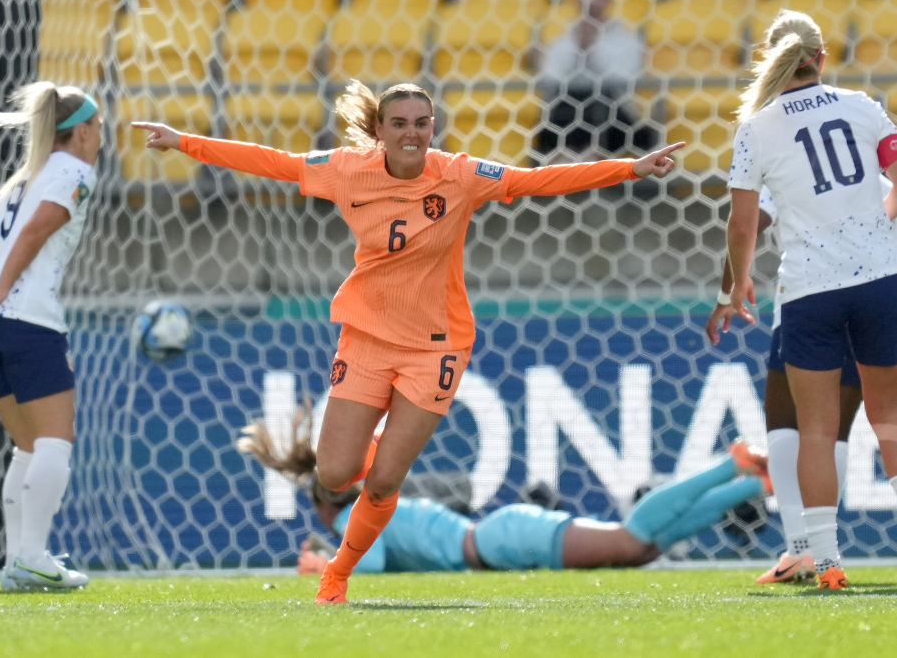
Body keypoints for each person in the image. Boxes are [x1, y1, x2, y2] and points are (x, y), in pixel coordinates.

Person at [132, 80, 685, 603]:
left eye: (422, 123)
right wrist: (183, 142)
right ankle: (370, 447)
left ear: (433, 127)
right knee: (332, 474)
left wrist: (629, 169)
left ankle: (337, 574)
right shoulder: (347, 170)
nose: (413, 134)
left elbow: (531, 179)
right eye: (399, 123)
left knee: (385, 482)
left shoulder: (459, 175)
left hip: (436, 347)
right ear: (379, 129)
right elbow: (272, 161)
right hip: (368, 338)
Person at [718, 9, 897, 589]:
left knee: (816, 429)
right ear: (821, 57)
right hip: (880, 280)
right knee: (892, 416)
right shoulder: (861, 105)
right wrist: (869, 223)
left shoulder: (756, 127)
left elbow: (743, 226)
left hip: (812, 288)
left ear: (772, 58)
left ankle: (828, 563)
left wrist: (733, 285)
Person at [706, 179, 897, 584]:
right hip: (871, 313)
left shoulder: (795, 167)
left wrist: (732, 283)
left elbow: (748, 225)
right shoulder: (883, 184)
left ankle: (802, 549)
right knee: (835, 432)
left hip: (807, 309)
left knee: (785, 421)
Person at [236, 417, 772, 575]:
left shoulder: (357, 518)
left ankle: (735, 462)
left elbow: (367, 566)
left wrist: (323, 566)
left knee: (632, 541)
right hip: (499, 538)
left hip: (501, 540)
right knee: (645, 549)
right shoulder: (372, 504)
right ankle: (751, 481)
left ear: (325, 506)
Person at [0, 81, 102, 590]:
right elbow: (35, 233)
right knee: (54, 442)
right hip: (29, 321)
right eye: (98, 126)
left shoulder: (20, 179)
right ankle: (32, 555)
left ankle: (18, 564)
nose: (102, 135)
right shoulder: (76, 172)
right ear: (78, 133)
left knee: (26, 447)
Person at [533, 0, 658, 165]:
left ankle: (585, 164)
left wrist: (591, 50)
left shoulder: (626, 38)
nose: (589, 1)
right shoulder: (563, 40)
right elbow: (550, 79)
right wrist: (579, 48)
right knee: (565, 107)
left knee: (603, 104)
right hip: (568, 112)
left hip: (614, 112)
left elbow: (624, 80)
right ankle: (580, 163)